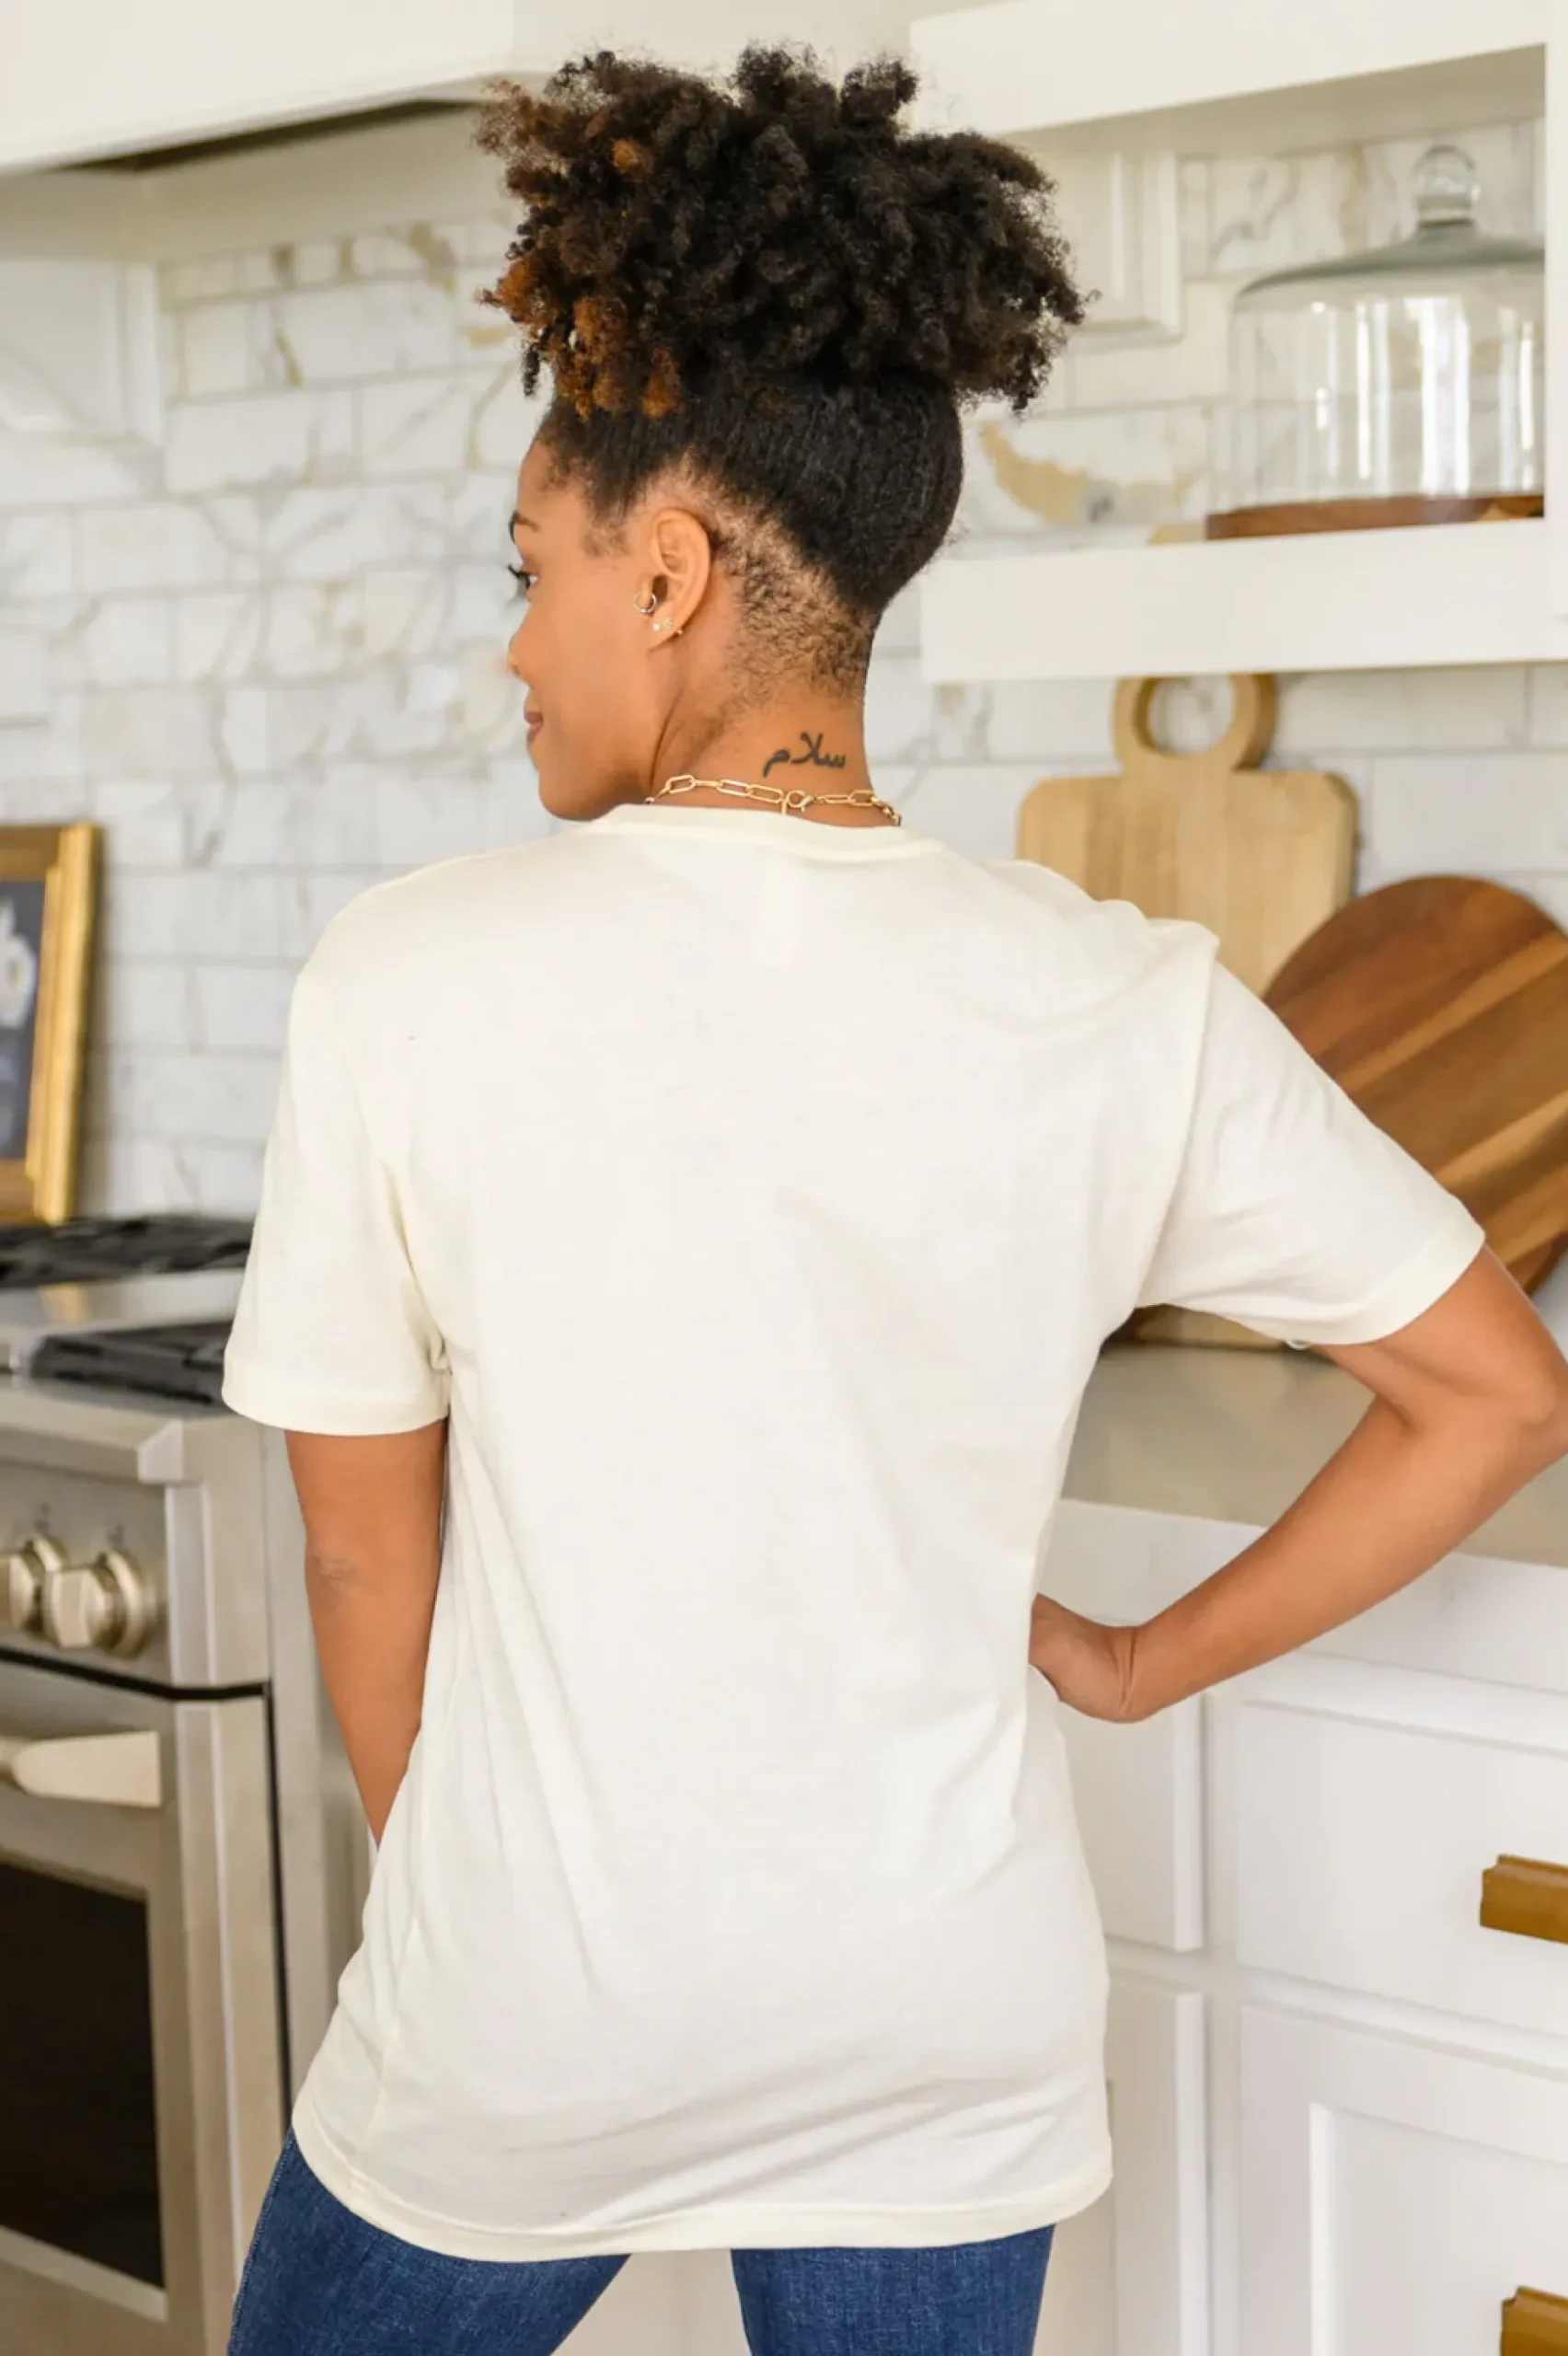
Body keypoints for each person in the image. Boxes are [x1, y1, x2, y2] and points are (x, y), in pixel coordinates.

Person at [220, 45, 1568, 2356]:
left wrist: (490, 1923)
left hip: (532, 2015)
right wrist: (1132, 1665)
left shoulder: (409, 974)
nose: (515, 643)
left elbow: (365, 1553)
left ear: (666, 568)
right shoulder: (1116, 991)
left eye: (532, 572)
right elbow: (1500, 1392)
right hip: (945, 2028)